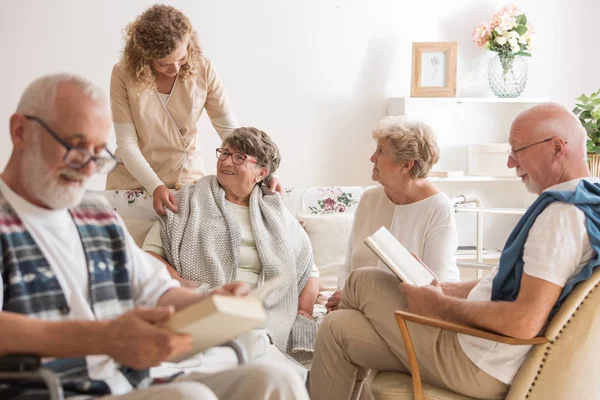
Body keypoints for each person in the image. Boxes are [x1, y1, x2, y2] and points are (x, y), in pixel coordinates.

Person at [0, 73, 308, 400]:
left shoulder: (96, 212)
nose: (88, 169)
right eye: (76, 148)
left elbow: (157, 290)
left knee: (276, 380)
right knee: (190, 397)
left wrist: (212, 302)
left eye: (98, 154)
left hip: (131, 383)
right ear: (20, 131)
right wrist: (103, 338)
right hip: (57, 389)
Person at [310, 102, 600, 400]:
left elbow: (523, 321)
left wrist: (437, 306)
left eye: (517, 150)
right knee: (337, 327)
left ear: (556, 148)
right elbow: (515, 287)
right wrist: (444, 289)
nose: (511, 163)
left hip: (476, 362)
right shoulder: (588, 204)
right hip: (481, 354)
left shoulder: (560, 216)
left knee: (363, 280)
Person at [142, 127, 320, 363]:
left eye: (239, 157)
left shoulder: (275, 212)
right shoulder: (188, 200)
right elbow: (148, 254)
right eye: (224, 153)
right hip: (208, 304)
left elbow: (310, 269)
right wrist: (180, 281)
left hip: (262, 314)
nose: (226, 161)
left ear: (261, 173)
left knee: (269, 370)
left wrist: (303, 311)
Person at [105, 4, 282, 215]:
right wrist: (155, 186)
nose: (176, 69)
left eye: (182, 58)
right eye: (164, 64)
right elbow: (126, 143)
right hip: (134, 178)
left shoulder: (204, 69)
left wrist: (264, 171)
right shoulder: (123, 75)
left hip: (186, 177)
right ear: (145, 58)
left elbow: (230, 133)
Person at [325, 116, 460, 312]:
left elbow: (430, 286)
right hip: (363, 306)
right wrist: (344, 294)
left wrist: (352, 298)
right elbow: (347, 265)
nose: (372, 158)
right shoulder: (369, 199)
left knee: (336, 325)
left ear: (406, 165)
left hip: (418, 311)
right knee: (336, 322)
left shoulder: (438, 207)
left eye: (381, 151)